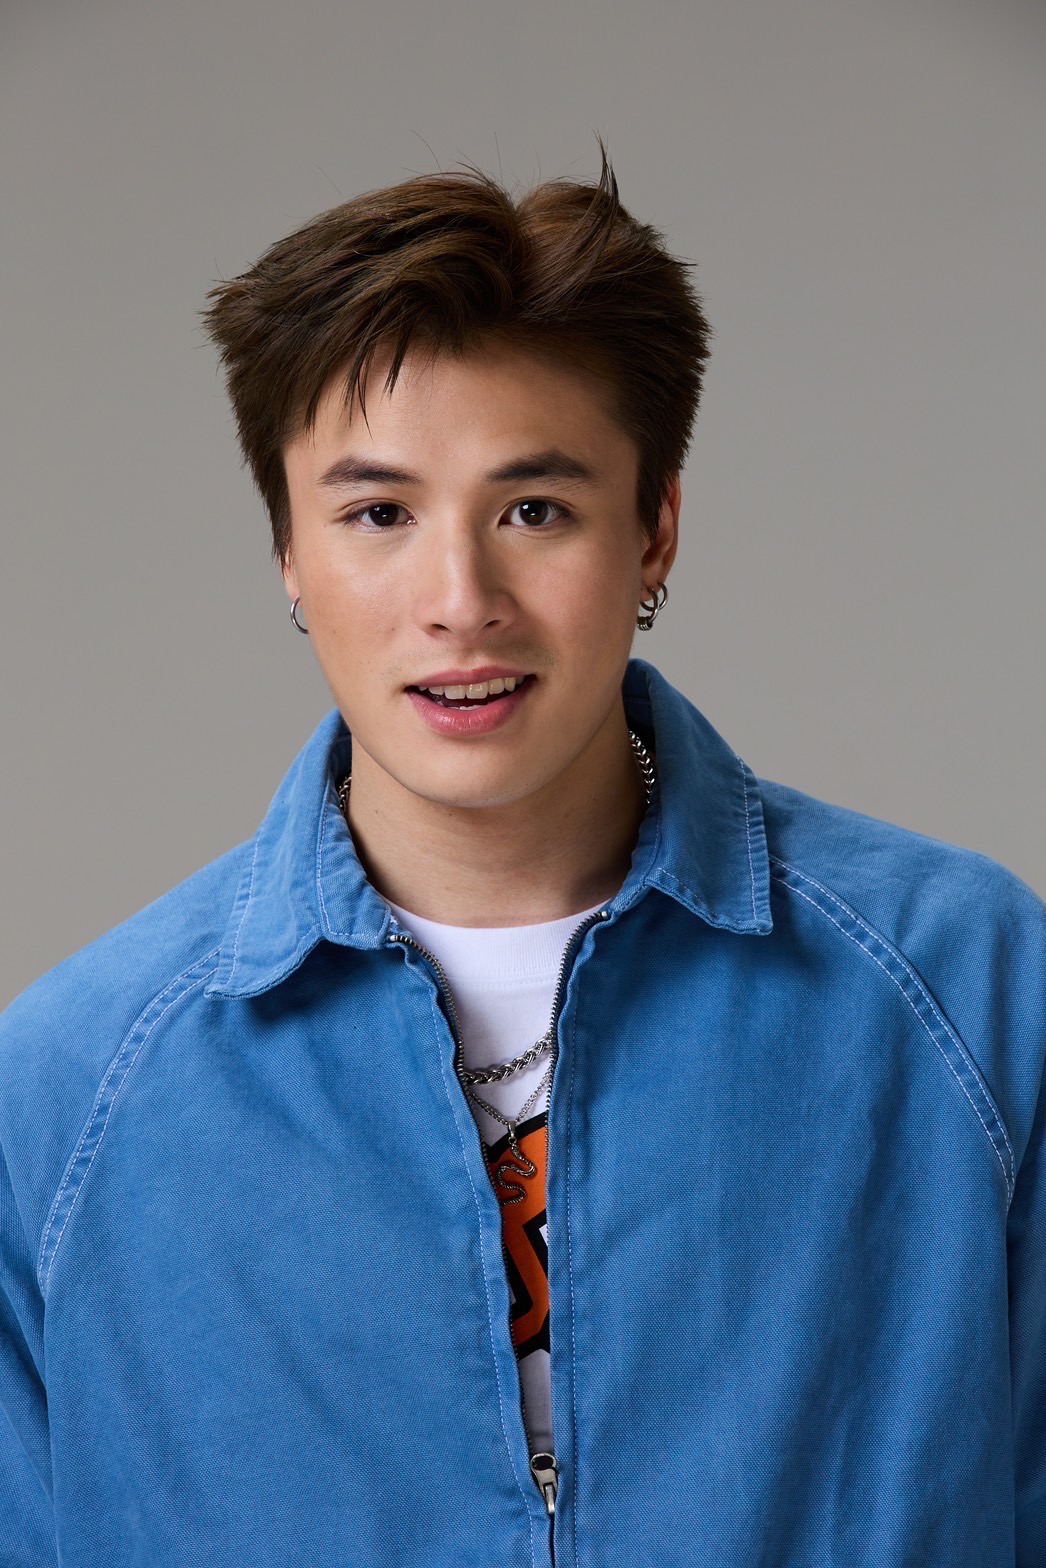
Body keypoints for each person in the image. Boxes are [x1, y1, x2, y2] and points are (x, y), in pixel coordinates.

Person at [1, 152, 1044, 1568]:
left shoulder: (971, 990)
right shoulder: (69, 1089)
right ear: (288, 553)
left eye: (534, 510)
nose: (460, 602)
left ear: (654, 530)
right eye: (378, 514)